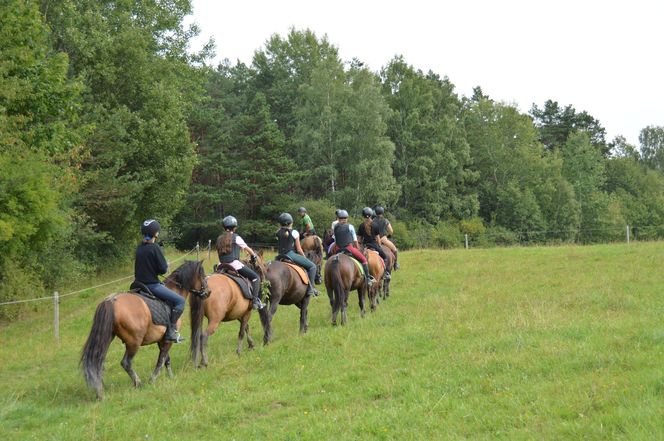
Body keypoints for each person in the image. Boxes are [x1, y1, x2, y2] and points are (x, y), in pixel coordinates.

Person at [134, 219, 185, 343]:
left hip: (138, 284)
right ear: (155, 233)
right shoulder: (155, 248)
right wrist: (166, 265)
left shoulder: (139, 248)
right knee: (180, 300)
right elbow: (162, 270)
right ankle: (171, 331)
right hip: (152, 285)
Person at [216, 215, 265, 310]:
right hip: (234, 265)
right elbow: (248, 249)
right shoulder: (236, 237)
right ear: (234, 227)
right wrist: (254, 255)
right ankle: (255, 301)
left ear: (224, 227)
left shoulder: (219, 238)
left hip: (221, 265)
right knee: (256, 278)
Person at [275, 213, 320, 297]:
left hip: (280, 256)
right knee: (312, 266)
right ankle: (311, 289)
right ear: (290, 223)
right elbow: (299, 249)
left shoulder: (277, 232)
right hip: (290, 255)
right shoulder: (294, 232)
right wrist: (304, 257)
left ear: (280, 223)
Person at [329, 210, 376, 287]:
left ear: (338, 218)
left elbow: (336, 240)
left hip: (338, 248)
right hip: (348, 247)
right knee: (363, 259)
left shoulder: (336, 227)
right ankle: (368, 278)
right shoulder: (350, 226)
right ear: (346, 218)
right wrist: (357, 248)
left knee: (331, 261)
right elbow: (355, 240)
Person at [357, 207, 391, 280]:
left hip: (365, 246)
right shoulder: (375, 225)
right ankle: (385, 273)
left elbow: (359, 239)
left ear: (363, 215)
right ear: (371, 215)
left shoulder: (361, 226)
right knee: (385, 257)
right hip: (374, 245)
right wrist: (379, 245)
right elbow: (378, 238)